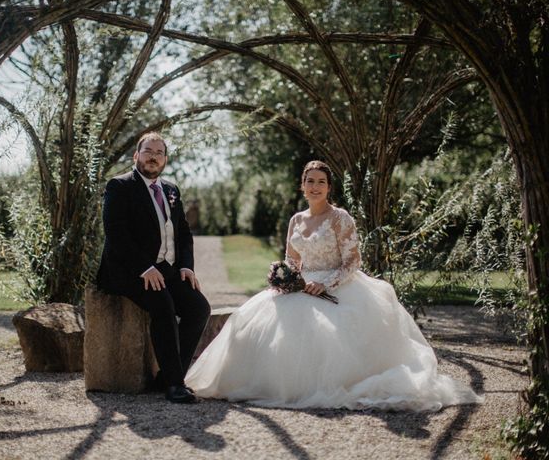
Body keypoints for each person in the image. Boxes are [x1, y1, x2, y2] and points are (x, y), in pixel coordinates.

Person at [185, 160, 483, 410]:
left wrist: (325, 283)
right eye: (310, 181)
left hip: (337, 287)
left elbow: (353, 261)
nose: (315, 187)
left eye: (321, 182)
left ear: (329, 187)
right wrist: (285, 277)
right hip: (301, 288)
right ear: (302, 186)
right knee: (250, 324)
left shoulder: (340, 218)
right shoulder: (296, 220)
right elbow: (292, 260)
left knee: (325, 338)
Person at [96, 131, 210, 404]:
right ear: (136, 155)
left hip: (166, 270)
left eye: (159, 153)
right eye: (148, 151)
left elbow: (183, 232)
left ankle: (168, 376)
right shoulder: (119, 186)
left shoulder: (170, 190)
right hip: (128, 270)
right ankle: (174, 384)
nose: (154, 157)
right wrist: (144, 267)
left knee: (198, 308)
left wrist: (186, 266)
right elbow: (116, 234)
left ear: (165, 160)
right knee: (163, 305)